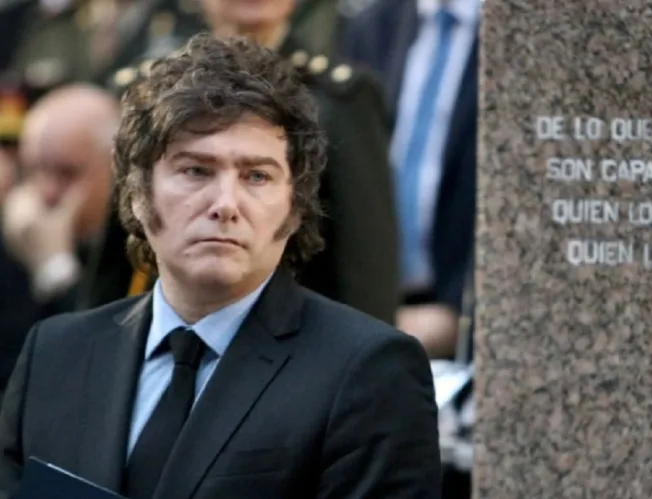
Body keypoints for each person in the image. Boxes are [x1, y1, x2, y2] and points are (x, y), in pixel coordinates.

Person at [0, 34, 441, 499]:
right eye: (196, 170)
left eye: (257, 176)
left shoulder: (369, 371)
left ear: (294, 207)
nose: (225, 204)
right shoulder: (55, 355)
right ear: (138, 193)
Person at [83, 0, 400, 325]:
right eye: (196, 170)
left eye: (257, 176)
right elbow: (118, 259)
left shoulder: (342, 99)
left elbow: (365, 268)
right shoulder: (148, 91)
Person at [341, 0, 479, 357]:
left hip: (470, 320)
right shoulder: (373, 24)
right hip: (371, 313)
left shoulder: (531, 29)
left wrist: (463, 314)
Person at [0, 84, 118, 398]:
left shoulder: (138, 253)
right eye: (34, 170)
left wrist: (56, 269)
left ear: (118, 170)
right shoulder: (14, 236)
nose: (48, 191)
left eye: (67, 173)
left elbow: (102, 367)